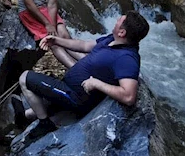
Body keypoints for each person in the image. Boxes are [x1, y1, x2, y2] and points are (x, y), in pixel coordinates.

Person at [13, 11, 150, 127]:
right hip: (69, 87)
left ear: (122, 32)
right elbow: (84, 45)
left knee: (25, 78)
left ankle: (44, 126)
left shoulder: (127, 58)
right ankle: (24, 118)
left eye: (119, 21)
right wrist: (56, 40)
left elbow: (129, 96)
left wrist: (97, 83)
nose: (115, 21)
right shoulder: (111, 40)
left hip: (76, 98)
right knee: (34, 111)